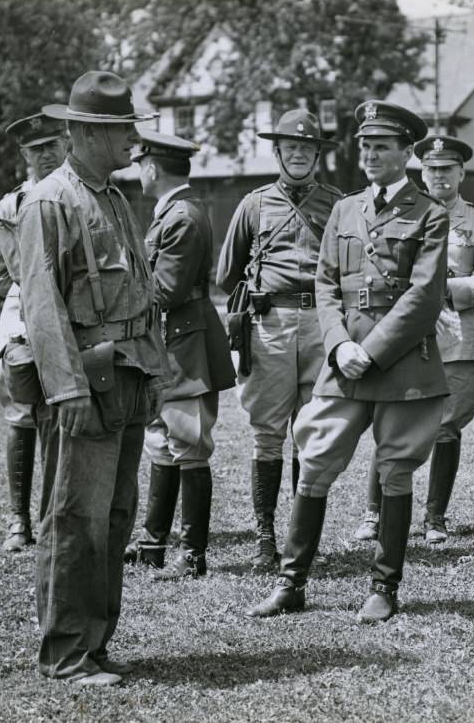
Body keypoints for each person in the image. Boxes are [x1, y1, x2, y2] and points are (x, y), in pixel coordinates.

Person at [245, 100, 448, 623]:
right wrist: (338, 345)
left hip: (401, 364)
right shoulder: (345, 209)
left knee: (396, 471)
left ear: (408, 153)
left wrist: (371, 350)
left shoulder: (431, 214)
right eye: (366, 145)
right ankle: (291, 583)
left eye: (383, 146)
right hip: (343, 360)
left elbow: (424, 297)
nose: (372, 154)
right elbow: (326, 284)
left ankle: (384, 587)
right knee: (313, 463)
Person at [17, 71, 168, 686]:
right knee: (74, 518)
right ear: (82, 132)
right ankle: (67, 653)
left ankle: (96, 643)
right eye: (120, 129)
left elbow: (141, 295)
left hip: (128, 377)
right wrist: (67, 387)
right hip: (86, 383)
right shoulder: (50, 201)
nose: (132, 139)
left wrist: (155, 374)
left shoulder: (112, 196)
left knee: (114, 517)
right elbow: (41, 305)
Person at [353, 134, 474, 544]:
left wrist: (443, 288)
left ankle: (435, 517)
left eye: (447, 170)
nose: (439, 177)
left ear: (462, 173)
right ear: (421, 171)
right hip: (403, 332)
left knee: (448, 427)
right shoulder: (403, 211)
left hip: (456, 334)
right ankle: (373, 513)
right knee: (390, 421)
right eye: (432, 170)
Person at [216, 109, 341, 570]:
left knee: (313, 433)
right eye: (291, 147)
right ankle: (265, 537)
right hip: (270, 324)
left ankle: (300, 537)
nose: (299, 154)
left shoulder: (336, 204)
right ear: (277, 152)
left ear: (317, 155)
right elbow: (226, 273)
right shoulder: (254, 204)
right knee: (267, 433)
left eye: (307, 148)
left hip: (321, 324)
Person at [123, 131, 235, 579]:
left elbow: (165, 290)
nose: (138, 172)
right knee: (162, 444)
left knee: (189, 444)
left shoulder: (182, 216)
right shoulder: (173, 211)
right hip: (170, 343)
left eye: (140, 164)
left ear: (153, 167)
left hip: (184, 344)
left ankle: (193, 556)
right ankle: (153, 546)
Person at [0, 113, 67, 551]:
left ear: (66, 145)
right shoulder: (10, 205)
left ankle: (52, 516)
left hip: (73, 315)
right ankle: (18, 520)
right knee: (19, 410)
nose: (45, 154)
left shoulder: (79, 194)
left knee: (59, 412)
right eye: (36, 149)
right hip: (22, 314)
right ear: (24, 155)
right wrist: (28, 284)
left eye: (52, 144)